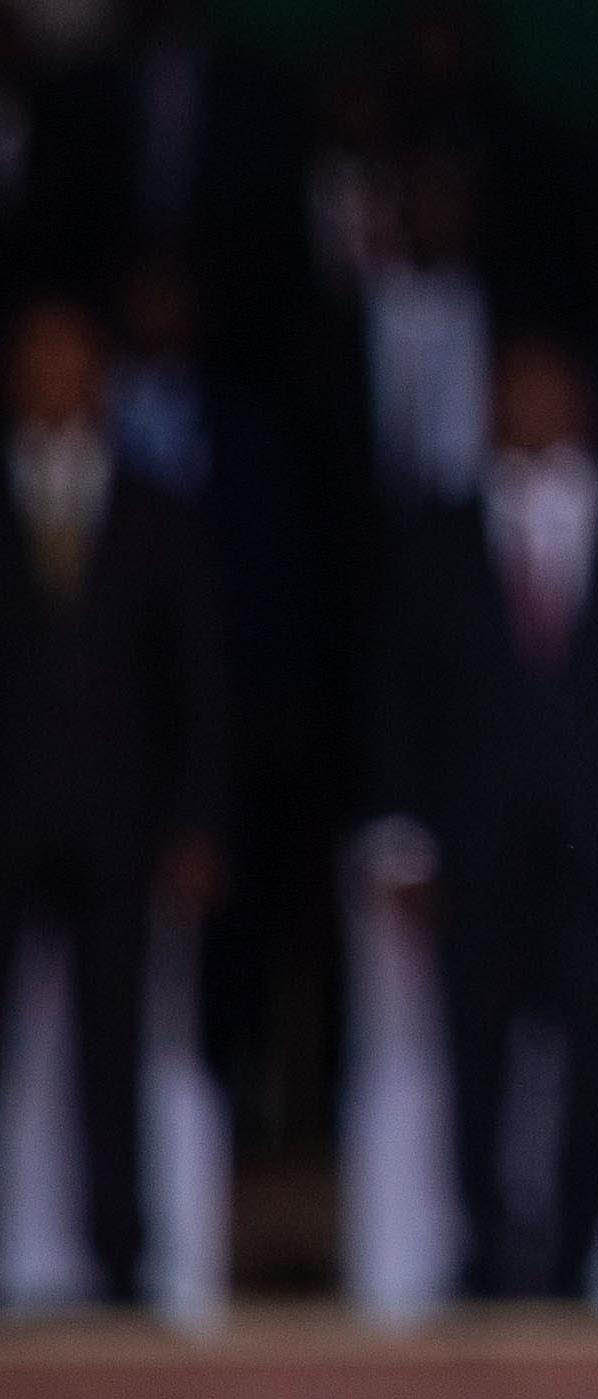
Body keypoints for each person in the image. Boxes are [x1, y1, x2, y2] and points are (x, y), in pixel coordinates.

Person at [365, 327, 598, 1300]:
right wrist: (400, 836)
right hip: (473, 842)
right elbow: (400, 692)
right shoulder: (439, 532)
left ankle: (572, 1257)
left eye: (546, 388)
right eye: (509, 390)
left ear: (583, 407)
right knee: (474, 1056)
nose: (528, 408)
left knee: (593, 1057)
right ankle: (482, 1249)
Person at [0, 292, 226, 1308]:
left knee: (115, 1049)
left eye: (72, 359)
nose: (54, 379)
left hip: (117, 821)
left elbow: (200, 686)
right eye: (36, 360)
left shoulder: (155, 509)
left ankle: (120, 1262)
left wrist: (195, 822)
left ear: (101, 378)